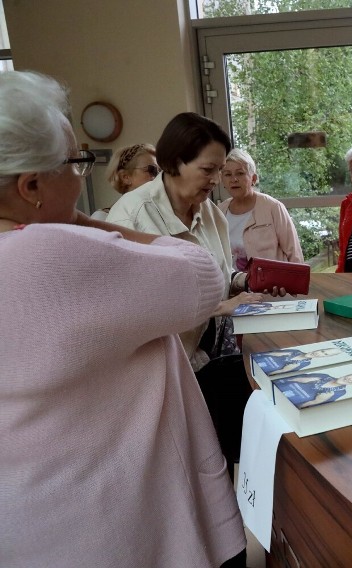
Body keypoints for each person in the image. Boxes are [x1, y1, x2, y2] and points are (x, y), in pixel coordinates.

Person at [0, 71, 246, 567]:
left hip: (29, 519)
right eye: (75, 163)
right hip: (121, 521)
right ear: (30, 186)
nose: (83, 175)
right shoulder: (47, 253)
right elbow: (199, 275)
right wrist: (83, 222)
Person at [107, 112, 273, 472]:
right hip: (159, 370)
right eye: (208, 170)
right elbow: (135, 312)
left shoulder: (209, 212)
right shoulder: (131, 218)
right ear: (173, 163)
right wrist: (221, 305)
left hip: (206, 356)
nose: (216, 181)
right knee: (186, 467)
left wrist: (245, 282)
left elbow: (220, 271)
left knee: (226, 457)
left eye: (221, 170)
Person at [219, 148, 303, 271]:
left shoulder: (273, 207)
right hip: (233, 286)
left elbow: (294, 254)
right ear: (222, 180)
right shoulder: (219, 211)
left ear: (253, 179)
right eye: (228, 174)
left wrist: (296, 286)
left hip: (271, 286)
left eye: (240, 173)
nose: (234, 179)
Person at [91, 143, 160, 221]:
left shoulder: (159, 215)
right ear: (125, 177)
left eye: (159, 171)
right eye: (151, 170)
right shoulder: (102, 218)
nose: (158, 176)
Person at [273, 371, 352, 408]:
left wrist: (316, 401)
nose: (351, 379)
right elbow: (283, 380)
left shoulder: (340, 393)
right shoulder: (323, 375)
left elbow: (304, 409)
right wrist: (299, 380)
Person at [253, 346, 344, 376]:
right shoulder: (296, 351)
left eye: (325, 355)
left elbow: (283, 371)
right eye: (323, 351)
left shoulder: (306, 363)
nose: (319, 354)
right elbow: (271, 354)